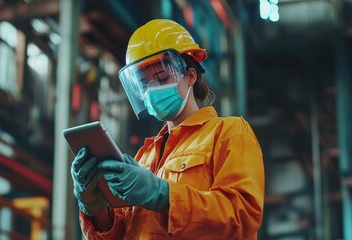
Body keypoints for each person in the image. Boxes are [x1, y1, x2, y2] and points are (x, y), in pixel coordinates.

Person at [71, 19, 265, 239]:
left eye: (162, 77)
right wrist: (94, 206)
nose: (152, 90)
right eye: (144, 84)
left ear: (190, 76)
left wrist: (163, 195)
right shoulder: (144, 158)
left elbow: (242, 217)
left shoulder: (229, 133)